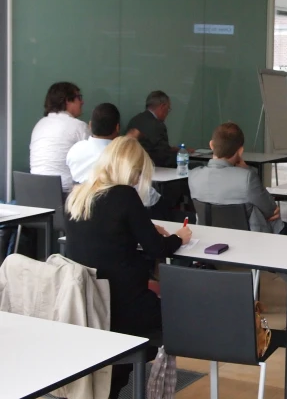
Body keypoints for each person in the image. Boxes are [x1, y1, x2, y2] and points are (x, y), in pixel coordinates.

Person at [64, 136, 192, 398]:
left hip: (86, 302)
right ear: (131, 171)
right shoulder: (125, 195)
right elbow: (158, 249)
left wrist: (143, 230)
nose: (137, 181)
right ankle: (130, 376)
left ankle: (114, 378)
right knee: (176, 316)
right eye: (137, 174)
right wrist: (180, 237)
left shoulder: (79, 194)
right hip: (123, 305)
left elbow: (105, 236)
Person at [188, 122, 287, 297]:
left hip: (212, 242)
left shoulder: (194, 176)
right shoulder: (246, 177)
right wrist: (246, 169)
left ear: (211, 145)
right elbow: (270, 209)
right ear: (240, 151)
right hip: (252, 243)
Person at [66, 102, 164, 212]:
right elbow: (145, 197)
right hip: (115, 215)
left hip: (80, 211)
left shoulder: (75, 149)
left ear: (90, 125)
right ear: (117, 128)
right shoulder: (120, 156)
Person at [30, 81, 90, 193]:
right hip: (65, 196)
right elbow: (95, 158)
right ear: (67, 100)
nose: (82, 102)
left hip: (34, 195)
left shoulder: (39, 125)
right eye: (79, 97)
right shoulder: (78, 126)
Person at [126, 90, 192, 168]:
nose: (167, 113)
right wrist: (183, 154)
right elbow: (163, 157)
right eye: (168, 109)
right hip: (155, 168)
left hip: (135, 167)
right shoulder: (158, 125)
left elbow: (151, 146)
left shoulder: (134, 120)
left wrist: (172, 149)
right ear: (162, 107)